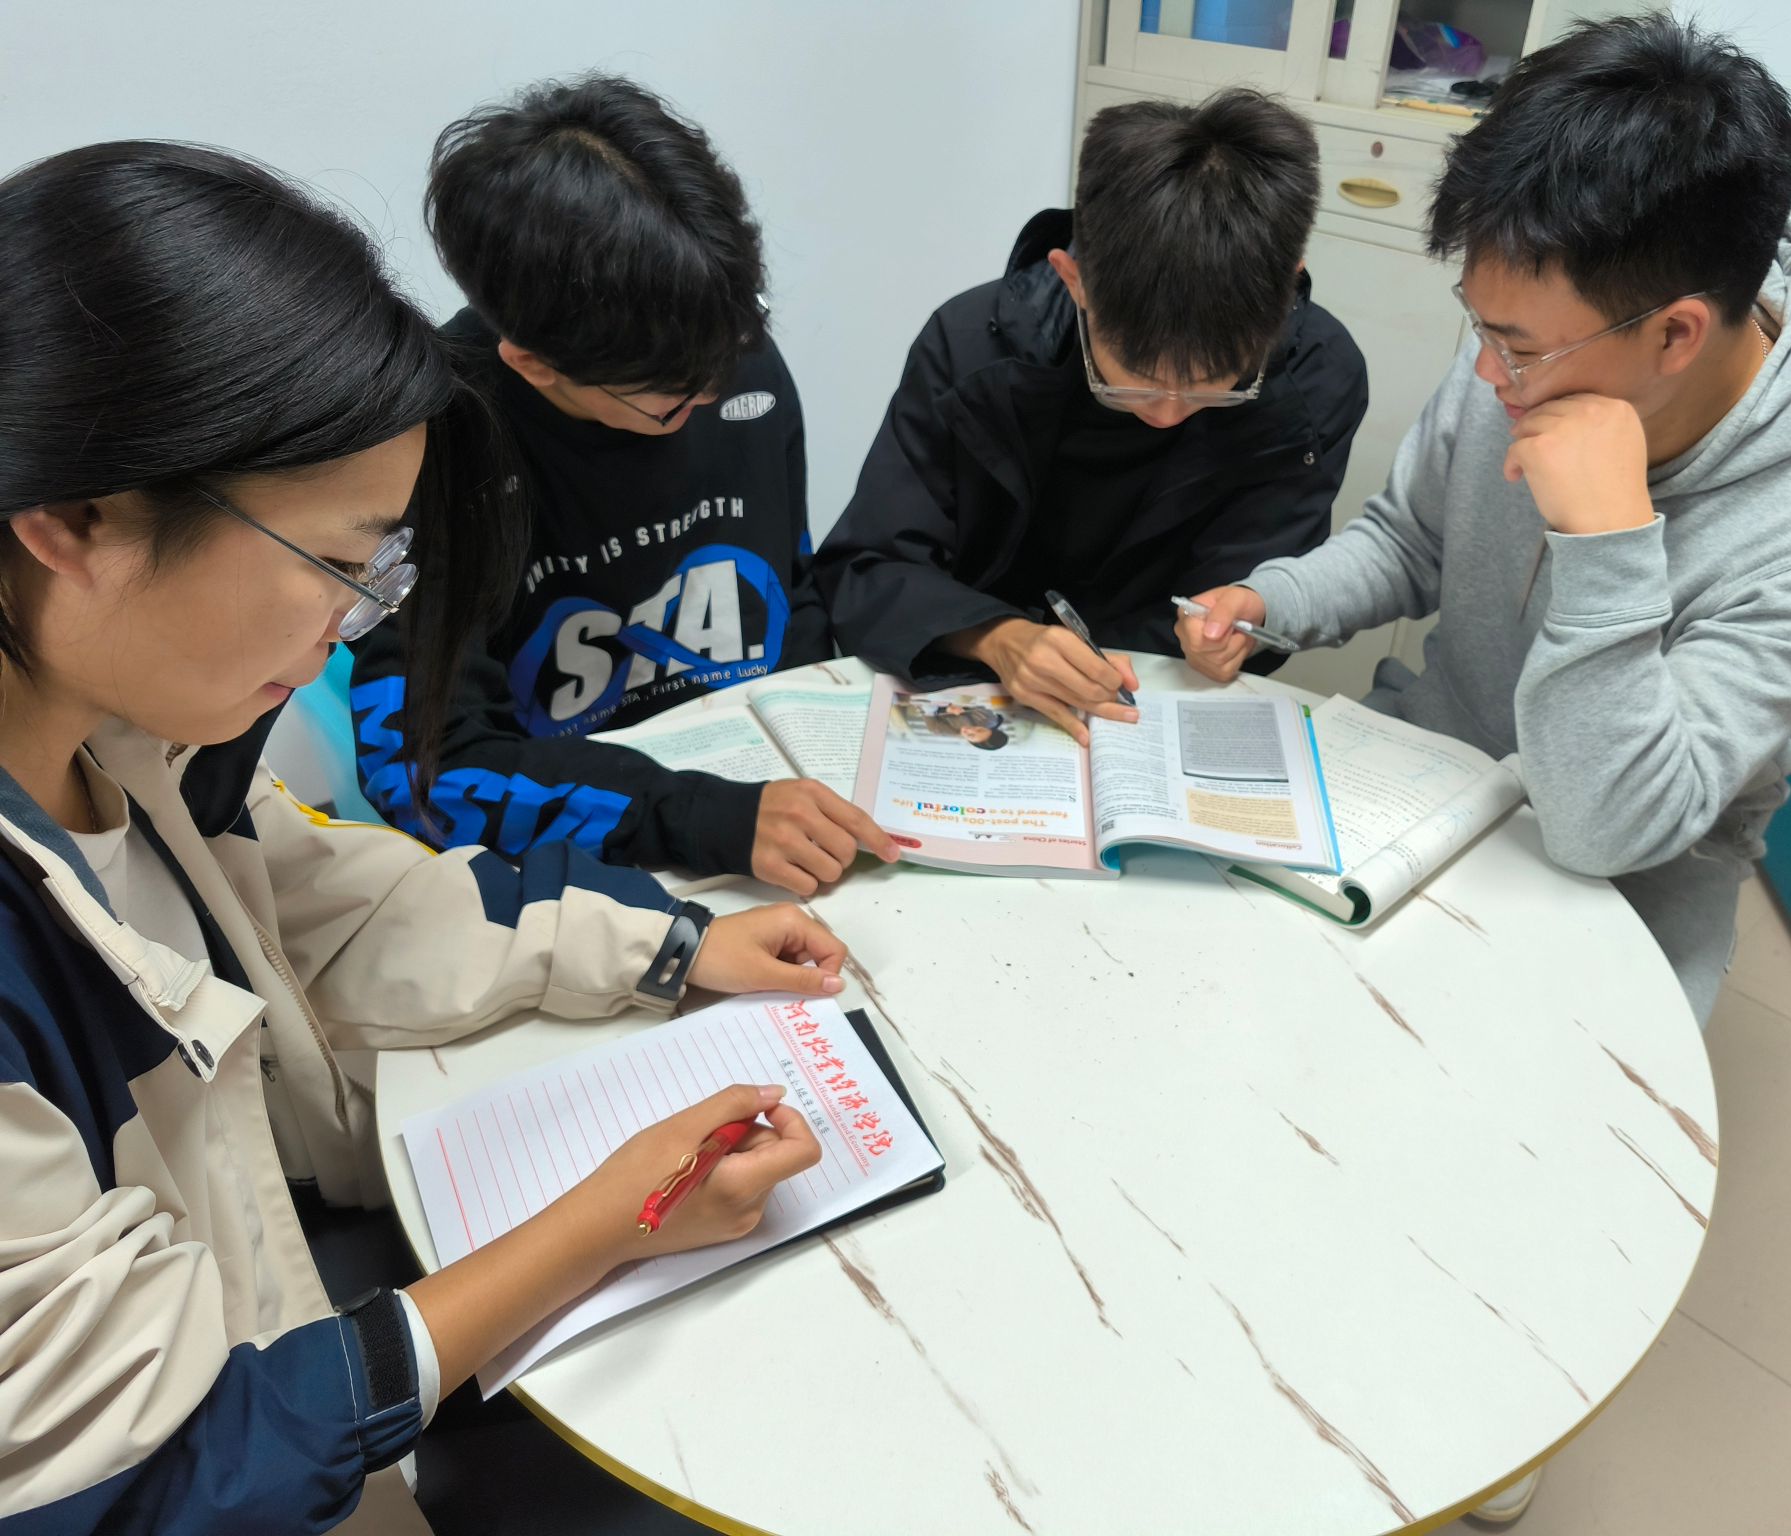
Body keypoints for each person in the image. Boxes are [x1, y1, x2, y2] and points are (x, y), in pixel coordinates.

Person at [0, 141, 847, 1533]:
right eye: (341, 564)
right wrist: (603, 1224)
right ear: (78, 520)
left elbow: (325, 901)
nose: (353, 628)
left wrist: (673, 942)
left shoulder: (135, 742)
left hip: (287, 1296)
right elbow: (156, 1479)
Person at [1180, 31, 1791, 1507]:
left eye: (1518, 349)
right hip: (1422, 782)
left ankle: (1480, 1416)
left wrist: (1608, 538)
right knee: (1244, 1047)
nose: (1485, 373)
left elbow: (1603, 824)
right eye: (1479, 328)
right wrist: (1280, 601)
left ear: (1677, 333)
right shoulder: (1524, 360)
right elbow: (1409, 542)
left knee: (1498, 1182)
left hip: (1625, 883)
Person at [349, 75, 896, 896]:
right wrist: (694, 817)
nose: (715, 395)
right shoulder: (428, 450)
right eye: (672, 401)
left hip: (775, 810)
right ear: (534, 363)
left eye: (732, 354)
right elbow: (427, 776)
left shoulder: (729, 357)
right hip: (596, 866)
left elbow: (791, 597)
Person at [814, 88, 1369, 744]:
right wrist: (996, 636)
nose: (1167, 414)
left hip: (1158, 708)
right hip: (976, 688)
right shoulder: (972, 347)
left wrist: (1239, 628)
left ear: (1284, 291)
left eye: (1213, 388)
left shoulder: (1316, 378)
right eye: (1133, 384)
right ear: (1074, 279)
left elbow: (1259, 588)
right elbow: (867, 567)